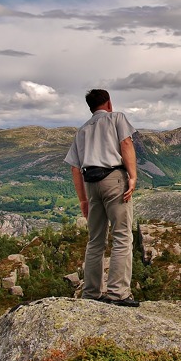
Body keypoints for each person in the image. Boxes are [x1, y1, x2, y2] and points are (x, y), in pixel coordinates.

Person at [64, 89, 140, 307]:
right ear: (109, 103)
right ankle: (118, 294)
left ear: (90, 107)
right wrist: (132, 177)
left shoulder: (82, 131)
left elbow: (75, 169)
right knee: (122, 236)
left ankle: (91, 293)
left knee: (95, 241)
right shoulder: (116, 118)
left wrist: (83, 200)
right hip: (114, 180)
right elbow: (126, 144)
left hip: (91, 184)